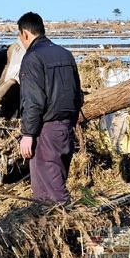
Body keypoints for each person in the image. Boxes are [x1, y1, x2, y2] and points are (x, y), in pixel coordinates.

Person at [18, 12, 82, 204]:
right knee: (54, 182)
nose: (21, 42)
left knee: (52, 192)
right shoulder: (65, 54)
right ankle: (51, 229)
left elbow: (33, 101)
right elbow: (77, 94)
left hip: (46, 132)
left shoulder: (32, 58)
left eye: (20, 37)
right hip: (65, 129)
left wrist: (28, 134)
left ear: (26, 34)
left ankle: (72, 227)